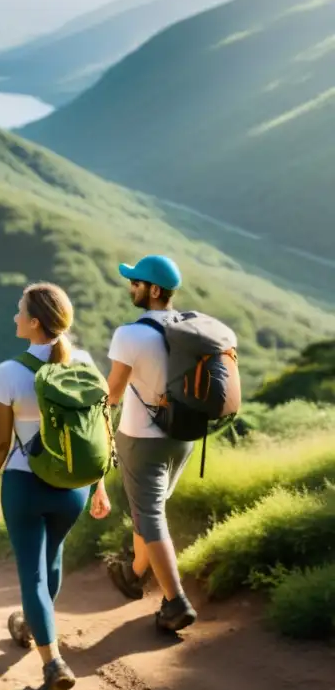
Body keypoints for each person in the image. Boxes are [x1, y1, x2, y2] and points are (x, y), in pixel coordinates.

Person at [0, 282, 112, 690]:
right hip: (73, 486)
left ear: (35, 322)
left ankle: (53, 661)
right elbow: (99, 431)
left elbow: (0, 442)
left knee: (33, 575)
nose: (15, 317)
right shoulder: (86, 362)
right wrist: (99, 485)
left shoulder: (9, 372)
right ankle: (34, 627)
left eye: (20, 311)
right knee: (51, 561)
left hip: (25, 482)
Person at [105, 254, 198, 632]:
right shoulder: (189, 329)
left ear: (154, 290)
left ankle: (176, 602)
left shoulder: (130, 334)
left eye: (136, 283)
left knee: (150, 515)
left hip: (142, 439)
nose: (131, 288)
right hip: (184, 437)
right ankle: (134, 572)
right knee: (151, 509)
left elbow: (111, 393)